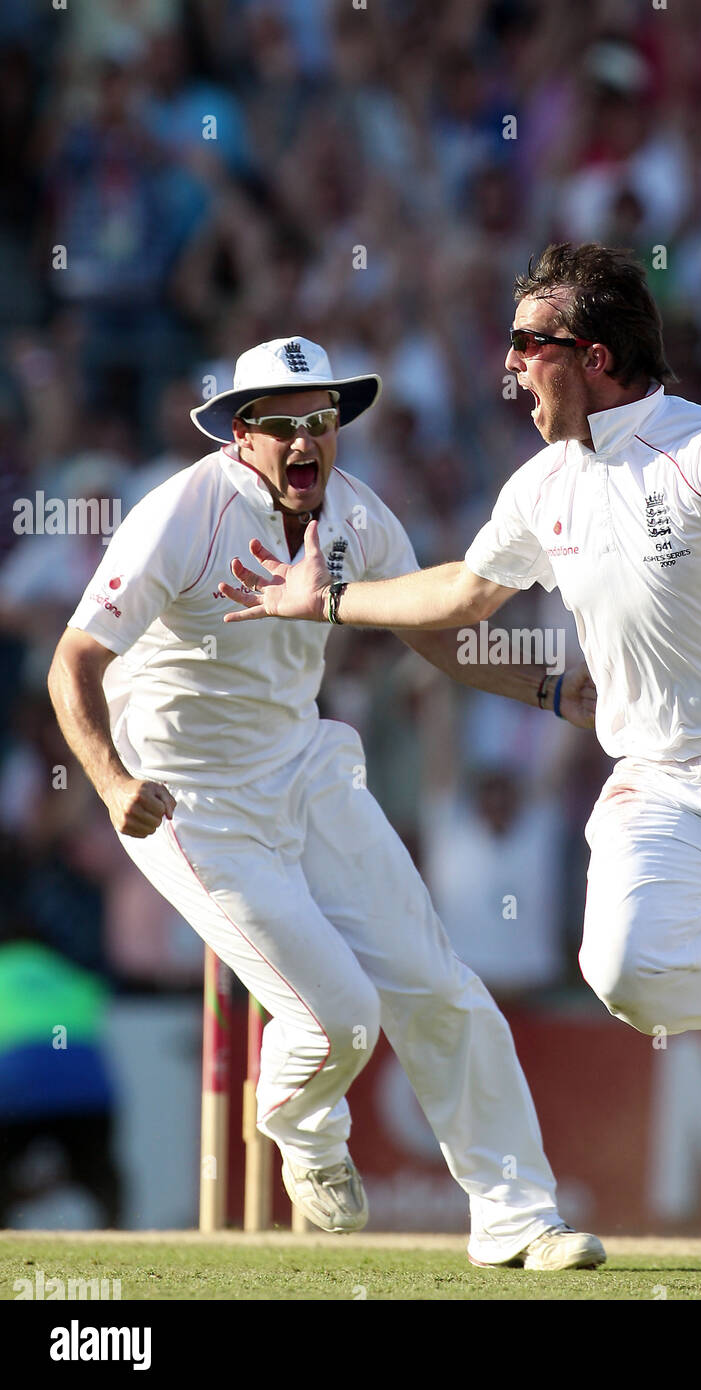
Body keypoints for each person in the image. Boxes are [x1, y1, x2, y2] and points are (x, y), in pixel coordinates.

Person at [219, 247, 701, 1283]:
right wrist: (320, 601)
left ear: (591, 356)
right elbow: (461, 592)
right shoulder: (540, 485)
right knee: (623, 973)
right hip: (655, 774)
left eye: (527, 344)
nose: (508, 368)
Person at [47, 336, 605, 1271]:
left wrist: (549, 689)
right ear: (240, 434)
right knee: (339, 1017)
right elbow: (75, 661)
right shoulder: (180, 512)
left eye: (323, 421)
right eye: (283, 426)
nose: (308, 442)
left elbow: (433, 633)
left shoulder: (356, 513)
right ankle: (302, 1129)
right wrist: (109, 782)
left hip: (306, 768)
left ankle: (517, 1217)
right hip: (191, 799)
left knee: (439, 988)